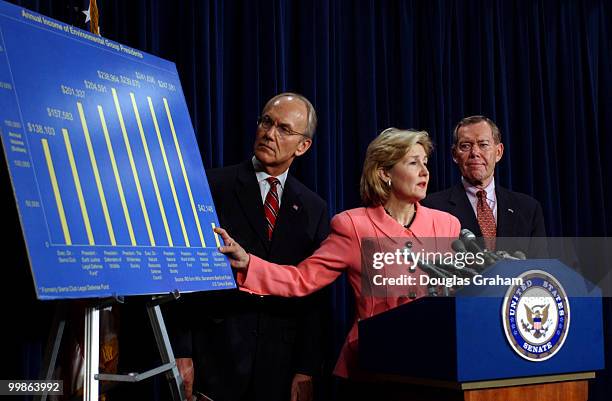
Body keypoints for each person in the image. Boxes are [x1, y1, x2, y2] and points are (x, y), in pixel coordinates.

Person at [214, 128, 460, 384]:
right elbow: (302, 279)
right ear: (384, 173)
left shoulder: (446, 225)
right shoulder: (354, 226)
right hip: (376, 367)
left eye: (425, 162)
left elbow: (460, 296)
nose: (424, 171)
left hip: (435, 367)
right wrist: (249, 263)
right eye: (413, 162)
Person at [171, 93, 330, 401]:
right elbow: (182, 275)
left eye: (284, 129)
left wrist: (307, 367)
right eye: (266, 122)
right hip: (215, 357)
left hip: (279, 367)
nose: (269, 133)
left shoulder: (314, 207)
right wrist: (181, 350)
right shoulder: (212, 186)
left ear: (303, 146)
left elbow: (315, 298)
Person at [422, 115, 546, 254]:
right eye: (466, 146)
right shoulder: (431, 208)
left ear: (498, 152)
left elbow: (540, 271)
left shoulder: (528, 209)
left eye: (483, 145)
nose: (475, 153)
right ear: (455, 154)